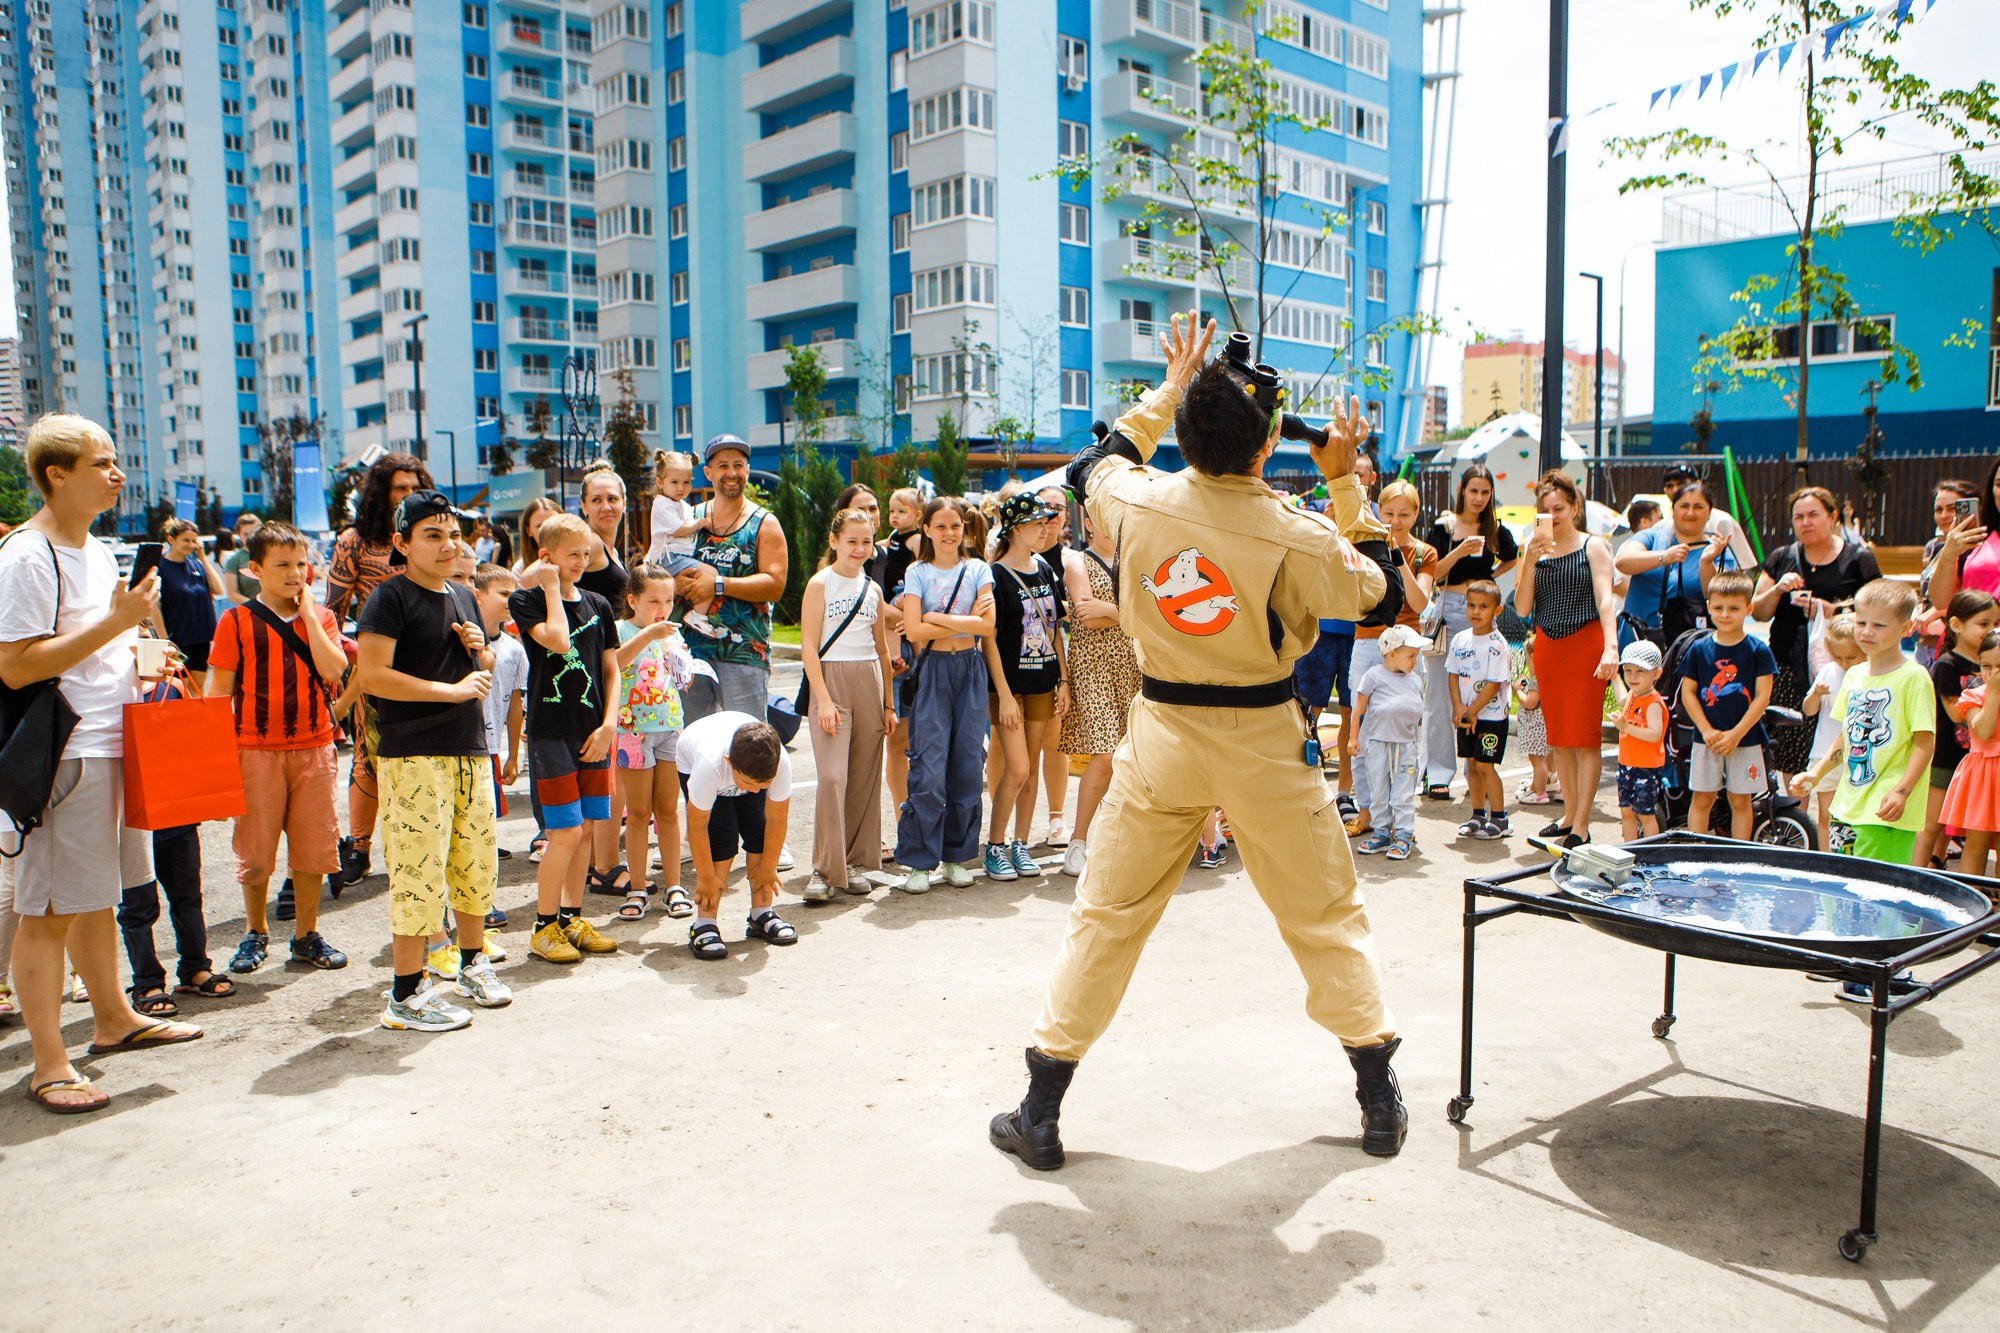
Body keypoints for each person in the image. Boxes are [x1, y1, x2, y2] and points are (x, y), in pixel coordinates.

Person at [989, 313, 1406, 1173]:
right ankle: (1375, 1092)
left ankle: (1041, 1103)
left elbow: (1091, 465)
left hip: (1165, 730)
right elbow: (1382, 597)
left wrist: (1168, 387)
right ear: (1267, 447)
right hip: (1259, 733)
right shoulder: (1296, 527)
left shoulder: (1137, 495)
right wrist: (1346, 488)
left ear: (1188, 431)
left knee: (1109, 912)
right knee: (1322, 911)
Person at [0, 414, 201, 1113]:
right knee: (48, 906)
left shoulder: (89, 547)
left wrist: (145, 655)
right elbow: (15, 665)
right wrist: (118, 626)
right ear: (57, 474)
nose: (117, 473)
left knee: (96, 895)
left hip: (112, 739)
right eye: (102, 462)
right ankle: (49, 1062)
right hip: (68, 749)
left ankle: (113, 1019)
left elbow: (94, 645)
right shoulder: (28, 556)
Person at [355, 491, 511, 1030]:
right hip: (414, 751)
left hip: (467, 748)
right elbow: (372, 676)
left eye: (453, 534)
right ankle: (406, 994)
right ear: (402, 544)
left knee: (474, 864)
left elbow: (483, 662)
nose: (448, 545)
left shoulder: (464, 596)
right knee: (417, 872)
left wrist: (480, 646)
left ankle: (472, 965)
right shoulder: (388, 598)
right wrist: (451, 691)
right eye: (432, 535)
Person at [206, 521, 351, 976]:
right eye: (283, 565)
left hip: (314, 748)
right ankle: (256, 931)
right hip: (254, 749)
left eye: (302, 564)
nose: (296, 574)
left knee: (313, 848)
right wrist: (216, 752)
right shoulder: (235, 621)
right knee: (255, 850)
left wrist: (309, 614)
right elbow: (218, 690)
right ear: (255, 570)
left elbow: (335, 669)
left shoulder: (321, 618)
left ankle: (305, 934)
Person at [1789, 579, 1935, 1002]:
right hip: (1848, 805)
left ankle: (1881, 967)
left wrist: (1903, 790)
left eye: (1880, 626)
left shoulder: (1914, 677)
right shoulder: (1853, 675)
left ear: (1906, 628)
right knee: (1847, 887)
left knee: (1885, 892)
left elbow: (1925, 740)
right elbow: (1844, 737)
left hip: (1886, 809)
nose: (1868, 633)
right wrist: (1816, 775)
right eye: (1863, 623)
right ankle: (1857, 968)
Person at [509, 514, 623, 966]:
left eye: (586, 552)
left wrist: (610, 724)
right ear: (546, 557)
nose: (582, 561)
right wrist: (552, 588)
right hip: (551, 732)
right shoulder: (528, 600)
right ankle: (544, 925)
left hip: (595, 732)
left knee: (590, 829)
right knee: (566, 831)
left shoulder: (599, 604)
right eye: (572, 554)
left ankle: (573, 917)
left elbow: (612, 670)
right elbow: (557, 641)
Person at [327, 452, 434, 887]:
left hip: (431, 659)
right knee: (369, 757)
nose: (407, 494)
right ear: (381, 494)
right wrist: (344, 668)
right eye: (399, 488)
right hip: (375, 664)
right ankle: (359, 846)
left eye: (414, 487)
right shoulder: (354, 542)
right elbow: (332, 611)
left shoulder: (433, 539)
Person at [895, 497, 996, 893]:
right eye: (940, 526)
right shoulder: (917, 570)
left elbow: (988, 628)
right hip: (934, 670)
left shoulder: (978, 568)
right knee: (929, 767)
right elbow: (914, 633)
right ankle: (920, 861)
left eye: (956, 526)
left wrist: (936, 618)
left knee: (968, 765)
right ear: (926, 529)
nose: (949, 533)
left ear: (965, 529)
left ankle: (956, 856)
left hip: (970, 669)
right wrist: (962, 622)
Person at [1516, 470, 1619, 848]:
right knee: (1559, 737)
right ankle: (1568, 814)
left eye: (1559, 508)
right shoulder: (1534, 549)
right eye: (1545, 509)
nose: (1553, 515)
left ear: (1575, 508)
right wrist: (1528, 561)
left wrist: (1612, 646)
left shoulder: (1593, 545)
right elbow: (1523, 606)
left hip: (1586, 642)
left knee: (1585, 738)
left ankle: (1582, 823)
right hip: (1548, 646)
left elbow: (1605, 597)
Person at [799, 509, 897, 902]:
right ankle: (823, 870)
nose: (859, 549)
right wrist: (823, 699)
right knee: (832, 778)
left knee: (862, 779)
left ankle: (855, 863)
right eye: (852, 541)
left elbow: (883, 649)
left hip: (869, 680)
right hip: (831, 682)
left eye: (866, 541)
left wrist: (889, 704)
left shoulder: (873, 589)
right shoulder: (820, 583)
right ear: (834, 541)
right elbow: (808, 646)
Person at [1752, 485, 1881, 776]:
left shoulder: (1857, 558)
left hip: (1844, 665)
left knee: (1845, 738)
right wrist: (1777, 589)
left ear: (1833, 516)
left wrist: (1831, 610)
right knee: (1791, 747)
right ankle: (1797, 816)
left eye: (1813, 514)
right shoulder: (1781, 557)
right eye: (1798, 517)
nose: (1805, 522)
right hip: (1788, 665)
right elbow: (1758, 612)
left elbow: (1878, 608)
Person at [982, 491, 1070, 883]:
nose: (1045, 528)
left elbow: (1054, 631)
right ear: (1017, 529)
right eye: (1038, 523)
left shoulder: (1046, 570)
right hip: (1010, 686)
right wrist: (1002, 693)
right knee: (1016, 768)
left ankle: (1020, 843)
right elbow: (989, 639)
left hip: (1044, 681)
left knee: (1031, 768)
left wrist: (1064, 679)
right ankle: (995, 845)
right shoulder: (995, 574)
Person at [1343, 480, 1436, 837]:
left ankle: (1402, 817)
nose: (1396, 521)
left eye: (1404, 514)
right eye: (1389, 513)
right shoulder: (1363, 546)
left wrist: (1398, 556)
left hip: (1410, 649)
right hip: (1368, 644)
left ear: (1415, 515)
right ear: (1378, 511)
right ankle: (1368, 812)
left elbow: (1419, 603)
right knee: (1364, 731)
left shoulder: (1424, 552)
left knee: (1408, 733)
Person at [1423, 463, 1518, 798]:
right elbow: (1431, 571)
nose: (1478, 498)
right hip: (1448, 608)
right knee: (1439, 695)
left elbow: (1513, 557)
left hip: (1480, 614)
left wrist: (1491, 575)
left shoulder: (1495, 529)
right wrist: (1460, 549)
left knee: (1475, 692)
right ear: (1461, 489)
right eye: (1473, 490)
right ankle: (1438, 773)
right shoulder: (1445, 527)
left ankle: (1473, 767)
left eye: (1485, 492)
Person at [1055, 508, 1141, 879]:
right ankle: (1077, 841)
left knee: (1135, 758)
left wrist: (1110, 610)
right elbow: (1085, 615)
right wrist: (1128, 614)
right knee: (1104, 755)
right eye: (1101, 518)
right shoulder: (1076, 560)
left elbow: (1152, 613)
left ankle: (1122, 842)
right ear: (1088, 523)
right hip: (1093, 665)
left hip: (1134, 664)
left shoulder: (1133, 557)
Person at [678, 434, 789, 721]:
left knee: (746, 746)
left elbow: (775, 585)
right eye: (723, 465)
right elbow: (665, 563)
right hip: (689, 654)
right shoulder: (691, 519)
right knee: (693, 746)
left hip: (743, 656)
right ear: (708, 472)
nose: (731, 473)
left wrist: (717, 585)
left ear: (747, 471)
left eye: (738, 465)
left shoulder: (764, 523)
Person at [609, 562, 692, 920]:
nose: (663, 609)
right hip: (632, 731)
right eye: (653, 600)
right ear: (633, 600)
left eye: (669, 600)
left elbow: (681, 679)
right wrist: (650, 634)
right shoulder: (621, 629)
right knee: (639, 814)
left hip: (670, 727)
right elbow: (615, 663)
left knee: (669, 811)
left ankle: (674, 885)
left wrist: (681, 660)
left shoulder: (672, 633)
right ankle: (638, 887)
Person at [677, 713, 797, 960]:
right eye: (749, 783)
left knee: (760, 833)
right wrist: (706, 877)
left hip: (745, 767)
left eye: (763, 785)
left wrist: (768, 868)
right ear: (728, 761)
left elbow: (776, 820)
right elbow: (698, 827)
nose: (755, 790)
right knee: (721, 842)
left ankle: (761, 912)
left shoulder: (778, 763)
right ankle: (704, 923)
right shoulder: (709, 766)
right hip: (701, 764)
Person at [1680, 571, 1777, 841]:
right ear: (1709, 607)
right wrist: (1707, 730)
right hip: (1706, 739)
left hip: (1746, 739)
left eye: (1734, 608)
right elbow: (1688, 693)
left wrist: (1736, 734)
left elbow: (1762, 698)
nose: (1725, 614)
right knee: (1702, 798)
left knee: (1740, 800)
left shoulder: (1758, 650)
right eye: (1719, 607)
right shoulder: (1699, 649)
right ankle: (1695, 852)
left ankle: (1739, 855)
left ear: (1748, 608)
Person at [1917, 590, 1997, 868]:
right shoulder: (1947, 664)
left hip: (1981, 760)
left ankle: (1937, 863)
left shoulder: (1989, 662)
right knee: (1932, 822)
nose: (1991, 630)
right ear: (1956, 624)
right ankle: (1914, 874)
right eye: (1984, 623)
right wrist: (1990, 693)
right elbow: (1955, 714)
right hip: (1950, 755)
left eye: (1996, 624)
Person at [1613, 481, 1736, 651]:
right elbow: (1623, 561)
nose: (1690, 513)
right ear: (1673, 510)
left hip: (1691, 649)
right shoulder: (1652, 537)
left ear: (1709, 513)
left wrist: (1706, 562)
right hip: (1638, 645)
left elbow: (1722, 596)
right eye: (1684, 506)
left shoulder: (1719, 549)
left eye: (1698, 507)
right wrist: (1663, 557)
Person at [472, 563, 526, 932]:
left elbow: (515, 705)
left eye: (514, 594)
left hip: (491, 750)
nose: (511, 601)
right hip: (462, 748)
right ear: (478, 595)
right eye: (503, 594)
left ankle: (483, 898)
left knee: (487, 830)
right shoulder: (462, 641)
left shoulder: (514, 650)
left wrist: (513, 754)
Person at [1352, 625, 1428, 861]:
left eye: (1416, 655)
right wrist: (1353, 737)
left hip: (1405, 745)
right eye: (1411, 655)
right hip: (1378, 743)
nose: (1415, 660)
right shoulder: (1373, 675)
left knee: (1403, 792)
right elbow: (1359, 709)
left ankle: (1404, 833)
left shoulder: (1414, 680)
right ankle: (1382, 832)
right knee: (1379, 789)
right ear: (1392, 653)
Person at [1447, 580, 1513, 840]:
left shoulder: (1497, 644)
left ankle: (1499, 818)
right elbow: (1452, 675)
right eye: (1472, 605)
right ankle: (1477, 815)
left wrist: (1473, 710)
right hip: (1466, 715)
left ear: (1496, 610)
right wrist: (1458, 707)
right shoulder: (1460, 639)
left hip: (1491, 716)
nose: (1476, 611)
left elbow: (1494, 684)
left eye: (1484, 607)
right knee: (1471, 765)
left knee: (1486, 766)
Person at [880, 486, 925, 828]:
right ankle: (901, 815)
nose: (895, 517)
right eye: (892, 511)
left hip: (902, 595)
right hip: (891, 618)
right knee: (897, 740)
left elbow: (921, 567)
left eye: (902, 511)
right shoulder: (890, 540)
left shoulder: (913, 541)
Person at [1939, 627, 2000, 878]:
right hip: (1983, 776)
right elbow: (1983, 731)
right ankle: (1972, 900)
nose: (1993, 673)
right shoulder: (1973, 697)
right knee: (1977, 843)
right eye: (1987, 666)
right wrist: (1994, 693)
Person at [151, 518, 224, 674]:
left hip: (201, 638)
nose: (191, 545)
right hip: (177, 639)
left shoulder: (197, 565)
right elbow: (154, 607)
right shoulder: (160, 567)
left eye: (193, 541)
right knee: (181, 689)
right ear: (171, 539)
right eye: (186, 540)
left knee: (198, 690)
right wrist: (164, 640)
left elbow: (218, 589)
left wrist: (203, 558)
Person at [1614, 640, 1669, 840]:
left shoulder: (1653, 702)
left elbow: (1655, 734)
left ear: (1656, 673)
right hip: (1627, 763)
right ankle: (1630, 851)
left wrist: (1626, 727)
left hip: (1646, 766)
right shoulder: (1634, 695)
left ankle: (1648, 853)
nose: (1632, 677)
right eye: (1628, 671)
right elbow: (1621, 698)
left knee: (1645, 814)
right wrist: (1613, 676)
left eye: (1640, 671)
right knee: (1626, 812)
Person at [646, 449, 703, 567]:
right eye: (674, 482)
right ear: (660, 482)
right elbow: (677, 529)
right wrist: (699, 523)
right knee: (709, 573)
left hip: (681, 555)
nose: (681, 488)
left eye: (686, 482)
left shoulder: (682, 504)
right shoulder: (662, 503)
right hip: (667, 557)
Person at [221, 511, 263, 606]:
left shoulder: (272, 554)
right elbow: (232, 595)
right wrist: (258, 607)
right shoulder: (234, 560)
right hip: (253, 612)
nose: (250, 537)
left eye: (254, 532)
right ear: (239, 535)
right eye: (245, 534)